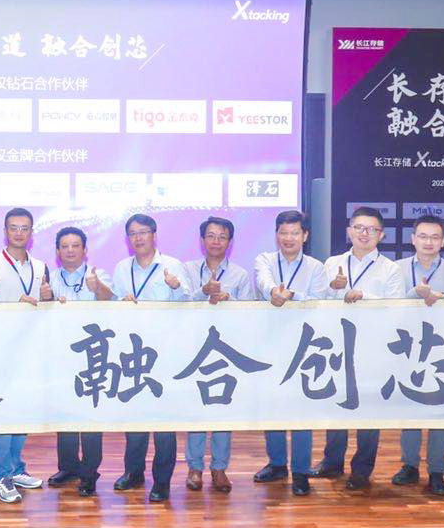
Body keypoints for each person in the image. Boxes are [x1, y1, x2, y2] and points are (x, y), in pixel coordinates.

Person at [314, 207, 407, 491]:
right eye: (359, 228)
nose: (364, 234)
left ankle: (362, 469)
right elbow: (317, 300)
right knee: (337, 405)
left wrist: (364, 295)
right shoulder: (332, 263)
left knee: (368, 409)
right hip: (337, 343)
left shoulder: (391, 269)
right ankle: (332, 462)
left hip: (373, 346)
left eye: (371, 229)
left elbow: (397, 307)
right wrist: (333, 287)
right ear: (349, 231)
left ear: (381, 235)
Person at [110, 213, 195, 503]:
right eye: (133, 233)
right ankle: (133, 473)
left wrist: (175, 287)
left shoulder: (172, 265)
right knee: (135, 418)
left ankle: (162, 481)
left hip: (165, 352)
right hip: (133, 352)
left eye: (143, 232)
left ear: (154, 235)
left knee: (163, 422)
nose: (138, 238)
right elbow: (114, 306)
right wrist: (120, 303)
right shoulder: (122, 268)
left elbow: (188, 303)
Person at [0, 208, 52, 504]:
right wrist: (13, 306)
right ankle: (1, 476)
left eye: (24, 228)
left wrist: (47, 299)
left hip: (30, 351)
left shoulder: (41, 266)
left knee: (22, 411)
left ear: (32, 233)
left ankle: (16, 469)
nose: (19, 233)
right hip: (0, 352)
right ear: (5, 232)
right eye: (13, 228)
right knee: (3, 415)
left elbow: (44, 307)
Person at [251, 210, 329, 493]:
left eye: (295, 233)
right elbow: (263, 281)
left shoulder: (316, 267)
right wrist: (274, 292)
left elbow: (319, 300)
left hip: (304, 346)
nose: (288, 238)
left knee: (300, 410)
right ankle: (276, 463)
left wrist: (292, 296)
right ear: (276, 235)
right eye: (283, 233)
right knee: (272, 406)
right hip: (270, 344)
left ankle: (300, 471)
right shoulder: (265, 260)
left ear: (305, 236)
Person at [393, 215, 444, 496]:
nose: (428, 242)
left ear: (443, 241)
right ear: (413, 239)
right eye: (423, 236)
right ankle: (409, 465)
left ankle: (437, 470)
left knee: (440, 411)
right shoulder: (397, 269)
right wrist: (415, 293)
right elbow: (390, 308)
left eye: (435, 237)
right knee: (410, 408)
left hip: (441, 349)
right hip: (408, 346)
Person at [183, 216, 256, 493]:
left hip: (226, 350)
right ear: (202, 240)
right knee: (196, 410)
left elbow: (250, 311)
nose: (216, 241)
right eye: (211, 236)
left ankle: (219, 468)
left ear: (230, 242)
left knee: (223, 410)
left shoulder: (240, 274)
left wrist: (229, 300)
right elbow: (178, 304)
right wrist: (203, 292)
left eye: (222, 237)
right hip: (195, 348)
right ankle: (194, 468)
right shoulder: (188, 270)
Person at [45, 226, 114, 495]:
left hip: (92, 356)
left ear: (85, 250)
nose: (70, 250)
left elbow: (110, 301)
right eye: (65, 246)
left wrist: (97, 289)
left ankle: (89, 472)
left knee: (90, 415)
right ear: (58, 251)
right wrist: (46, 299)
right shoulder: (50, 278)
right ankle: (69, 467)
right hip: (60, 355)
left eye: (76, 246)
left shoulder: (98, 274)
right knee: (65, 414)